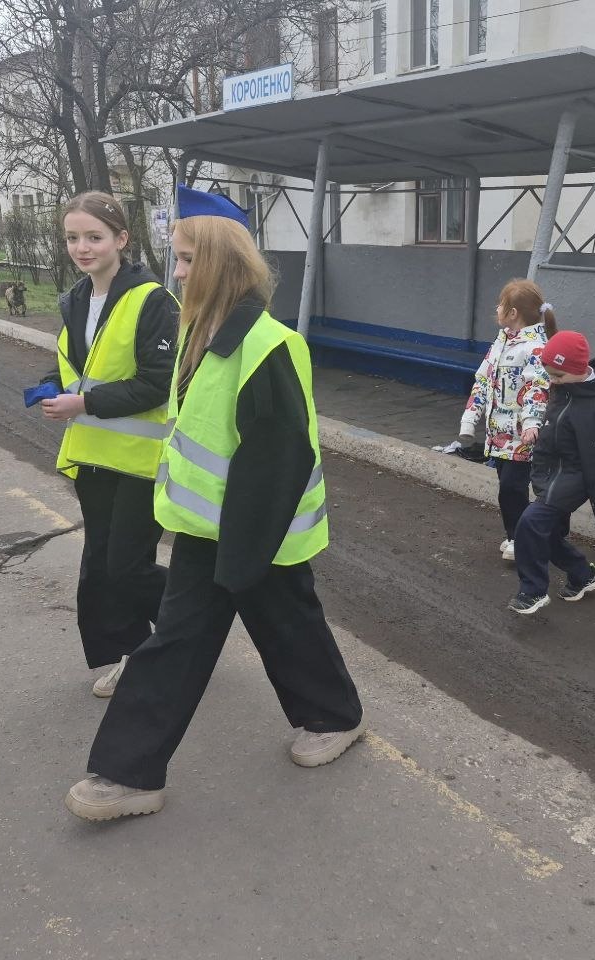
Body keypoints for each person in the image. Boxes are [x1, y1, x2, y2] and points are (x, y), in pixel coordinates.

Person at [64, 185, 365, 822]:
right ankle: (331, 717)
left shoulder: (268, 346)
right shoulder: (203, 332)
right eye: (175, 257)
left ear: (224, 262)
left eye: (186, 258)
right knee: (268, 627)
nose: (176, 271)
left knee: (254, 628)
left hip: (254, 534)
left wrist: (240, 561)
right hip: (218, 529)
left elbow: (277, 463)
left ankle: (130, 773)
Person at [32, 192, 178, 696]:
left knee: (127, 567)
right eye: (73, 238)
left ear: (121, 239)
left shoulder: (154, 300)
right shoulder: (75, 299)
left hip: (140, 460)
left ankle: (189, 628)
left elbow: (159, 382)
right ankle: (136, 651)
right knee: (100, 565)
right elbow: (80, 366)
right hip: (93, 456)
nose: (82, 247)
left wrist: (84, 405)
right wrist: (54, 385)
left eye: (94, 237)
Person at [508, 331, 595, 615]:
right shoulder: (566, 389)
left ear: (579, 370)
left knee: (530, 523)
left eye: (558, 375)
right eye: (550, 375)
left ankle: (532, 591)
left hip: (575, 477)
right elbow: (555, 428)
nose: (553, 381)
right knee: (546, 534)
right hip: (553, 473)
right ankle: (582, 574)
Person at [457, 279, 553, 561]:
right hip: (499, 435)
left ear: (513, 312)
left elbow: (537, 389)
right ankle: (516, 535)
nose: (496, 308)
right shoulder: (502, 342)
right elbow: (482, 381)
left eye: (501, 304)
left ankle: (523, 539)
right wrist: (469, 421)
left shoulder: (534, 347)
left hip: (522, 437)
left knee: (513, 489)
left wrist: (533, 424)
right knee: (508, 489)